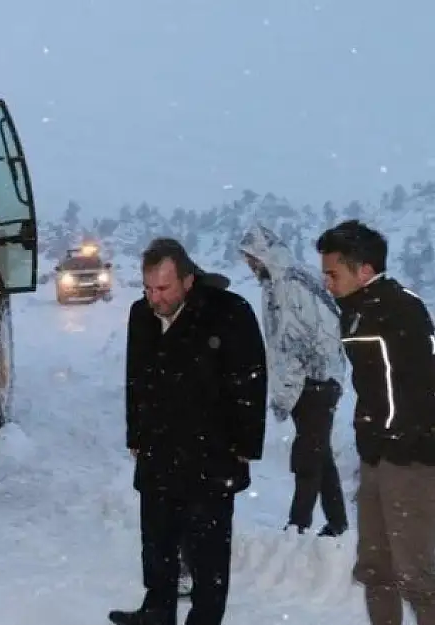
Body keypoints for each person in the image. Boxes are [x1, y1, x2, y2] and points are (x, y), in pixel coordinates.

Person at [110, 237, 267, 625]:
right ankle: (157, 610)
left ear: (188, 280)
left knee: (207, 551)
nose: (154, 298)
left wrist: (245, 444)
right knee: (157, 541)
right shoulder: (141, 316)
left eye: (163, 288)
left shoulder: (228, 313)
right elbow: (136, 380)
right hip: (158, 450)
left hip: (210, 453)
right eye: (147, 288)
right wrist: (136, 435)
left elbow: (251, 380)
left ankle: (205, 618)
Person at [315, 220, 435, 625]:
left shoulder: (403, 309)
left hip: (411, 460)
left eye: (333, 272)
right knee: (375, 568)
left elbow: (420, 387)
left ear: (363, 271)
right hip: (376, 456)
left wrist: (402, 442)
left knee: (418, 574)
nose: (327, 282)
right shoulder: (354, 312)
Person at [239, 223, 349, 537]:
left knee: (307, 455)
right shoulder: (278, 282)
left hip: (316, 380)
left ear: (263, 254)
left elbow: (303, 338)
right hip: (311, 382)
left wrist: (299, 381)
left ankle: (297, 525)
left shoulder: (290, 283)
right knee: (318, 451)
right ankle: (337, 522)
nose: (250, 264)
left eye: (252, 257)